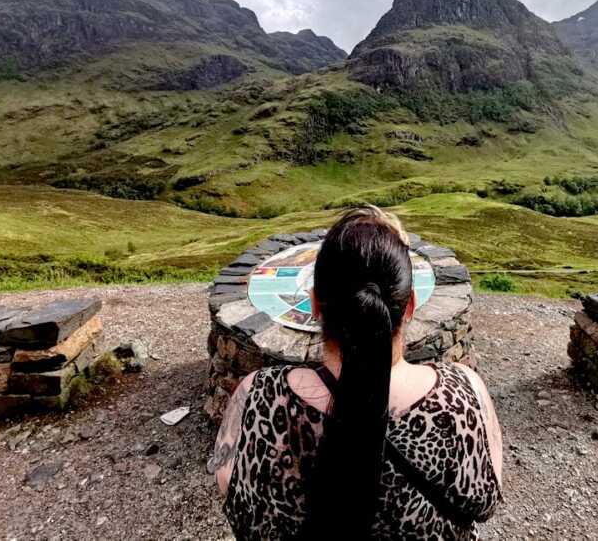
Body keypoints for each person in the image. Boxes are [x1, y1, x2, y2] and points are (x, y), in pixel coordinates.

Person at [210, 206, 503, 540]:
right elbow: (485, 503)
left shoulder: (257, 400)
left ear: (315, 304)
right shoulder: (465, 397)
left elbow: (233, 495)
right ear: (409, 306)